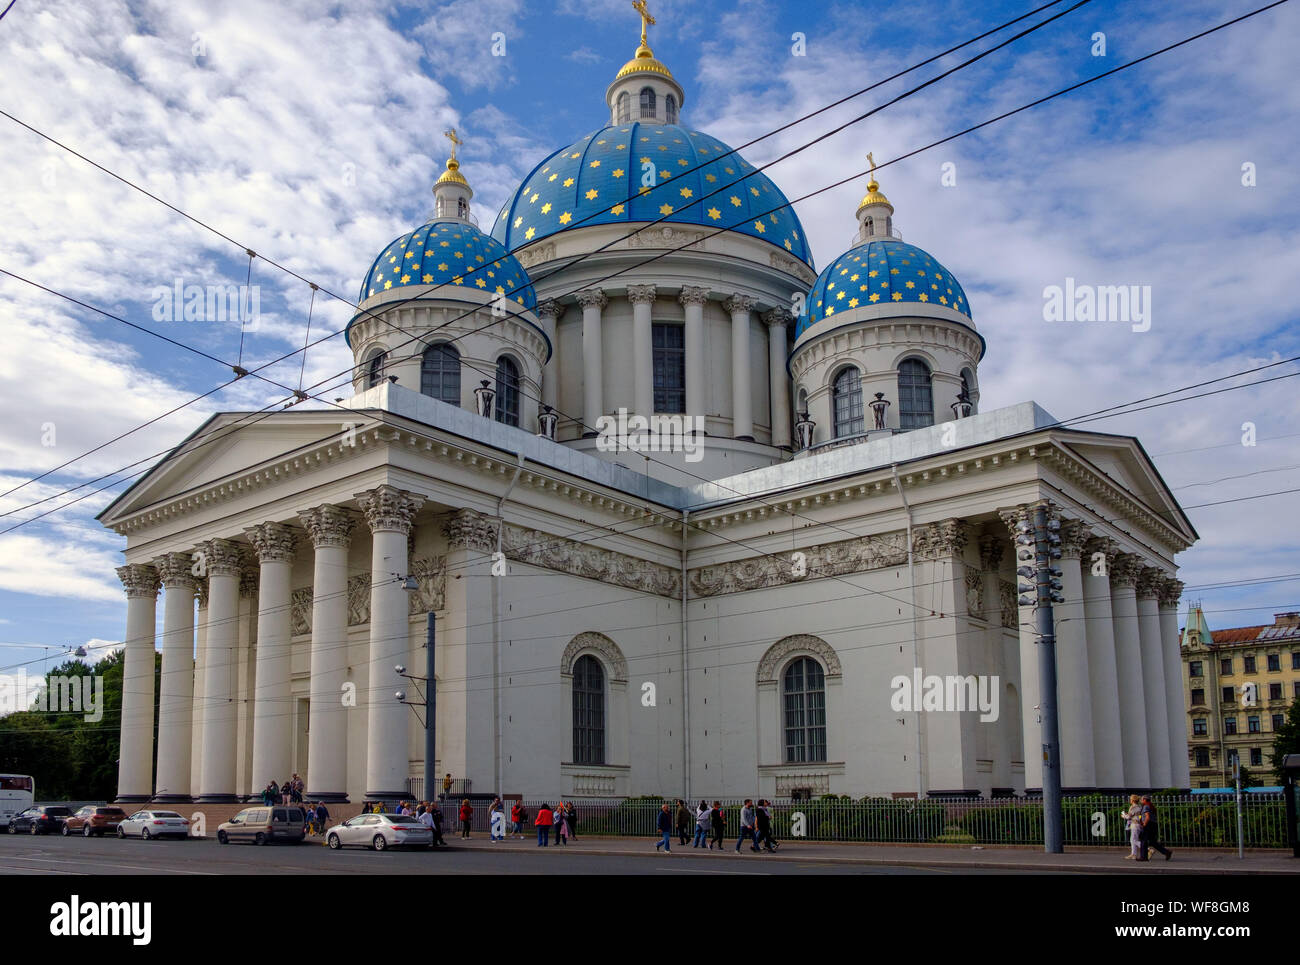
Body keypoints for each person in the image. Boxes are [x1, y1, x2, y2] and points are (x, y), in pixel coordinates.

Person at [1137, 796, 1172, 861]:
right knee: (1153, 842)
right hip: (1153, 825)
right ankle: (1167, 852)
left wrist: (1144, 824)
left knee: (1143, 841)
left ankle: (1143, 857)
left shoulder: (1146, 806)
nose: (1141, 801)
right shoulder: (1151, 806)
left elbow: (1147, 816)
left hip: (1148, 825)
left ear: (1144, 800)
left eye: (1142, 800)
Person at [1123, 794, 1143, 860]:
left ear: (1133, 800)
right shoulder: (1139, 806)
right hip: (1138, 824)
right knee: (1133, 840)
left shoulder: (1133, 807)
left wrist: (1123, 816)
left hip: (1135, 824)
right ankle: (1133, 854)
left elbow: (1129, 817)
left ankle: (1147, 849)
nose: (1130, 800)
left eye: (1131, 799)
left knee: (1134, 840)